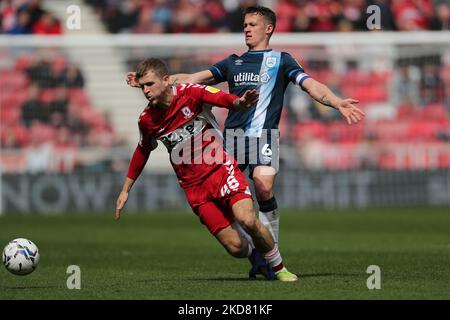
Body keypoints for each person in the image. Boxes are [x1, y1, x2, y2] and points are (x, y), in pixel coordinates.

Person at [126, 6, 365, 278]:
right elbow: (190, 80)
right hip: (232, 140)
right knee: (233, 212)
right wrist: (151, 83)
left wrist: (336, 102)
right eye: (245, 25)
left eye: (252, 24)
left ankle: (272, 253)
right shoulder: (233, 62)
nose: (247, 29)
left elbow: (311, 85)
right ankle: (254, 250)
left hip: (264, 137)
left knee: (262, 187)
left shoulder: (282, 60)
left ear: (269, 28)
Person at [116, 58, 298, 282]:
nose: (145, 91)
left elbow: (221, 98)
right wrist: (126, 189)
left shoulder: (190, 93)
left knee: (248, 219)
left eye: (150, 84)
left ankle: (279, 268)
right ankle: (256, 258)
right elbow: (142, 150)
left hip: (221, 169)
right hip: (194, 188)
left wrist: (240, 103)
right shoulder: (147, 120)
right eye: (142, 86)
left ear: (165, 80)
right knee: (236, 248)